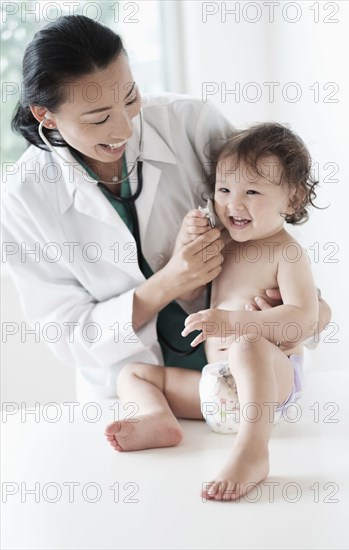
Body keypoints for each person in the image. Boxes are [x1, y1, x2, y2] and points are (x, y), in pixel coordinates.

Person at [2, 14, 330, 401]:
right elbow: (69, 335)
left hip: (242, 372)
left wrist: (311, 313)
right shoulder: (24, 197)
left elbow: (268, 210)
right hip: (134, 390)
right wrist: (171, 281)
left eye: (130, 98)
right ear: (46, 116)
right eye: (99, 118)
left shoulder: (189, 122)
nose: (124, 128)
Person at [105, 122, 329, 502]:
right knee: (133, 374)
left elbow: (304, 317)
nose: (233, 204)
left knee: (247, 346)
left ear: (291, 200)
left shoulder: (286, 253)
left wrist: (234, 323)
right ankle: (157, 418)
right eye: (224, 190)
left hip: (270, 385)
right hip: (215, 390)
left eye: (252, 192)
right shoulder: (223, 241)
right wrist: (186, 243)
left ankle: (253, 450)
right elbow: (189, 289)